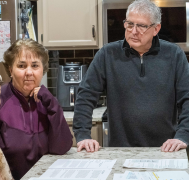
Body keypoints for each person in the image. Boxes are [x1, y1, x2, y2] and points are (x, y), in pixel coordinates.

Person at [73, 0, 189, 153]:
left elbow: (187, 98)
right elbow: (86, 96)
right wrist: (82, 135)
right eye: (129, 24)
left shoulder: (174, 54)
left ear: (156, 29)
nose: (133, 31)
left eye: (141, 26)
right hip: (120, 150)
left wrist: (183, 135)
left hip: (165, 150)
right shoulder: (107, 54)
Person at [0, 39, 72, 180]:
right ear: (10, 70)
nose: (29, 72)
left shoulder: (47, 100)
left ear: (43, 69)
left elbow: (61, 147)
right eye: (22, 66)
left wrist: (51, 103)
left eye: (35, 66)